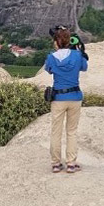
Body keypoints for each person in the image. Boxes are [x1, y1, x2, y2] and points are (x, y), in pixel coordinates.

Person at [45, 27, 88, 173]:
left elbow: (48, 69)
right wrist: (79, 51)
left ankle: (56, 163)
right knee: (72, 131)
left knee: (56, 132)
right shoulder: (77, 55)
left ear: (57, 42)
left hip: (58, 98)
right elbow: (84, 67)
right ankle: (71, 163)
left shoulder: (51, 57)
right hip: (75, 97)